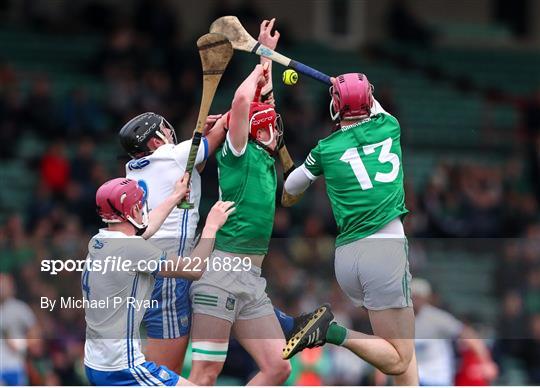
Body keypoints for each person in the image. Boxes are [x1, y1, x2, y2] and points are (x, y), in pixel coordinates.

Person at [187, 19, 331, 386]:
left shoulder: (268, 158)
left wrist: (265, 56)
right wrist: (256, 65)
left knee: (278, 368)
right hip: (219, 273)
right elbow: (241, 101)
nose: (274, 129)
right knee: (205, 374)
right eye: (265, 126)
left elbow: (263, 102)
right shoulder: (238, 154)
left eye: (273, 125)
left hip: (251, 279)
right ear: (250, 131)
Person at [281, 73, 418, 385]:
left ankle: (331, 331)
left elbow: (291, 187)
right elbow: (376, 107)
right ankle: (329, 331)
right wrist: (349, 89)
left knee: (401, 354)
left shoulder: (325, 149)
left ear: (334, 107)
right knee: (399, 360)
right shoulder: (389, 126)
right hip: (385, 253)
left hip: (345, 259)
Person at [83, 174, 235, 386]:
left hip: (95, 363)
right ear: (131, 211)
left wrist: (175, 196)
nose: (143, 209)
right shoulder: (132, 249)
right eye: (139, 205)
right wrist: (211, 227)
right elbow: (194, 269)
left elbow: (145, 230)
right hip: (122, 368)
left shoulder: (98, 242)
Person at [119, 109, 226, 372]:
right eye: (164, 131)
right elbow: (228, 124)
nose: (170, 134)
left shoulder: (133, 169)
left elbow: (192, 166)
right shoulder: (174, 156)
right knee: (166, 373)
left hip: (149, 267)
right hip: (168, 272)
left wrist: (202, 136)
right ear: (155, 142)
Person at [411, 278, 498, 386]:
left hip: (436, 377)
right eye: (412, 297)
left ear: (426, 298)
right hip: (413, 376)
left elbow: (468, 336)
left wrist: (486, 361)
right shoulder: (401, 320)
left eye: (418, 297)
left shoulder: (437, 318)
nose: (415, 300)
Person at [0, 273, 40, 386]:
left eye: (4, 285)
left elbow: (36, 335)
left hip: (14, 366)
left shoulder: (20, 308)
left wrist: (21, 344)